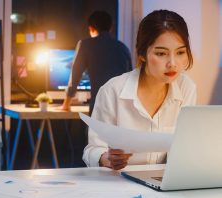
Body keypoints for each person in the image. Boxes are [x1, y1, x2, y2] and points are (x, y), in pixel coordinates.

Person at [83, 10, 196, 170]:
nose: (172, 63)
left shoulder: (187, 88)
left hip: (164, 185)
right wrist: (106, 158)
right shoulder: (112, 90)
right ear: (142, 53)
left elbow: (185, 147)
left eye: (180, 52)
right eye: (161, 53)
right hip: (119, 184)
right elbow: (92, 149)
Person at [61, 10, 132, 114]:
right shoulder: (123, 47)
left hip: (100, 107)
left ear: (91, 28)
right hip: (122, 109)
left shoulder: (85, 45)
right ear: (111, 28)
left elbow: (75, 77)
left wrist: (66, 105)